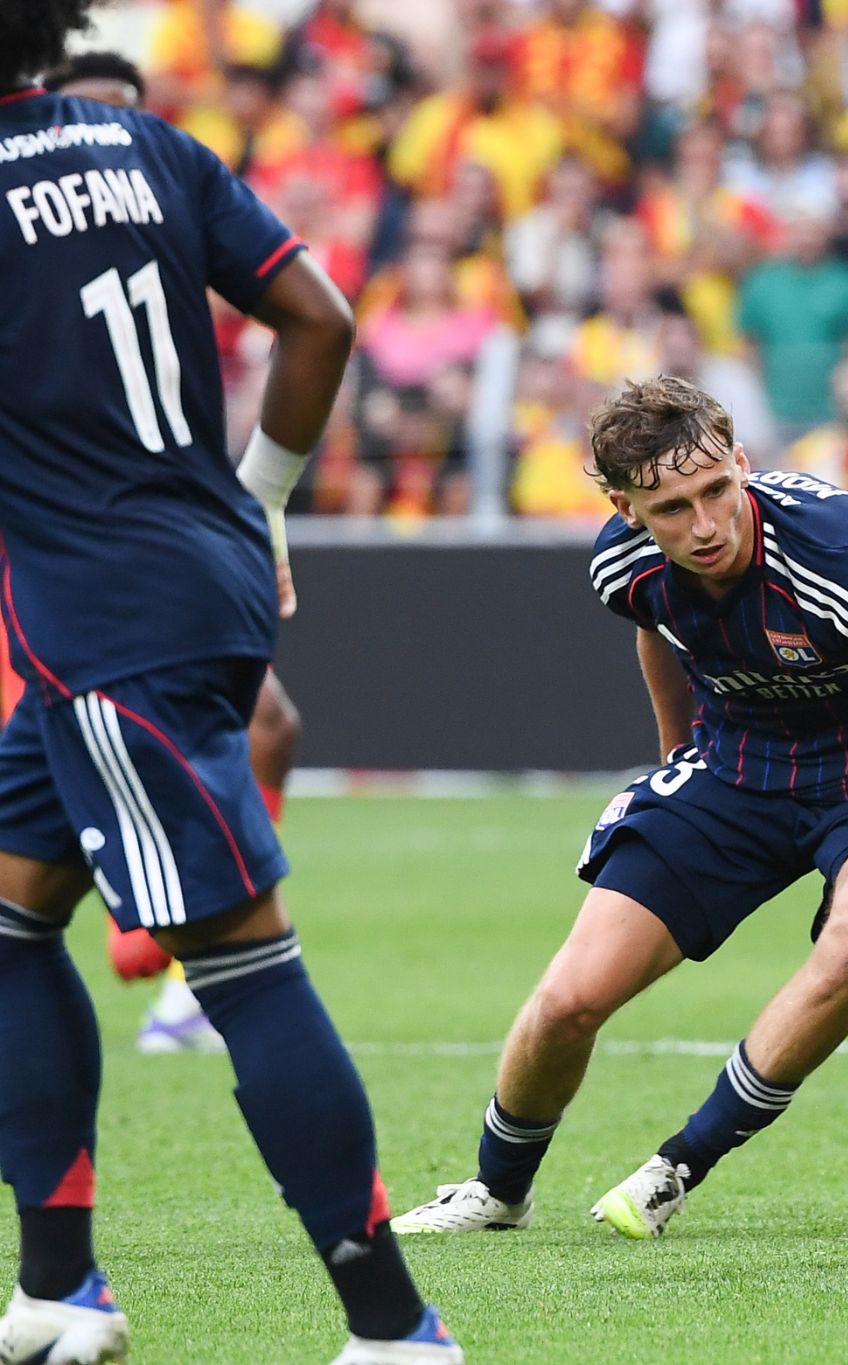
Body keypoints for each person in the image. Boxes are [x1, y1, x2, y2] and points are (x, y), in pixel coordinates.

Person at [0, 6, 459, 1363]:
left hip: (105, 624)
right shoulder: (148, 144)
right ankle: (56, 1287)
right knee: (11, 916)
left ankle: (393, 1327)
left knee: (242, 960)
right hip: (195, 571)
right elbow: (316, 316)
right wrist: (258, 505)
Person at [392, 375, 848, 1242]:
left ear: (742, 462)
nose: (705, 526)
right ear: (627, 509)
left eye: (716, 490)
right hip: (739, 765)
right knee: (567, 1001)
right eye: (670, 508)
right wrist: (680, 760)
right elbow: (656, 627)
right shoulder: (620, 566)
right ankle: (495, 1189)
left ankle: (677, 1166)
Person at [41, 48, 308, 1057]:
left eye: (127, 115)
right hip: (55, 543)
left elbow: (308, 320)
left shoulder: (162, 208)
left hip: (165, 531)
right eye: (91, 112)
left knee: (271, 723)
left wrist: (253, 506)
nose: (109, 136)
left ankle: (186, 971)